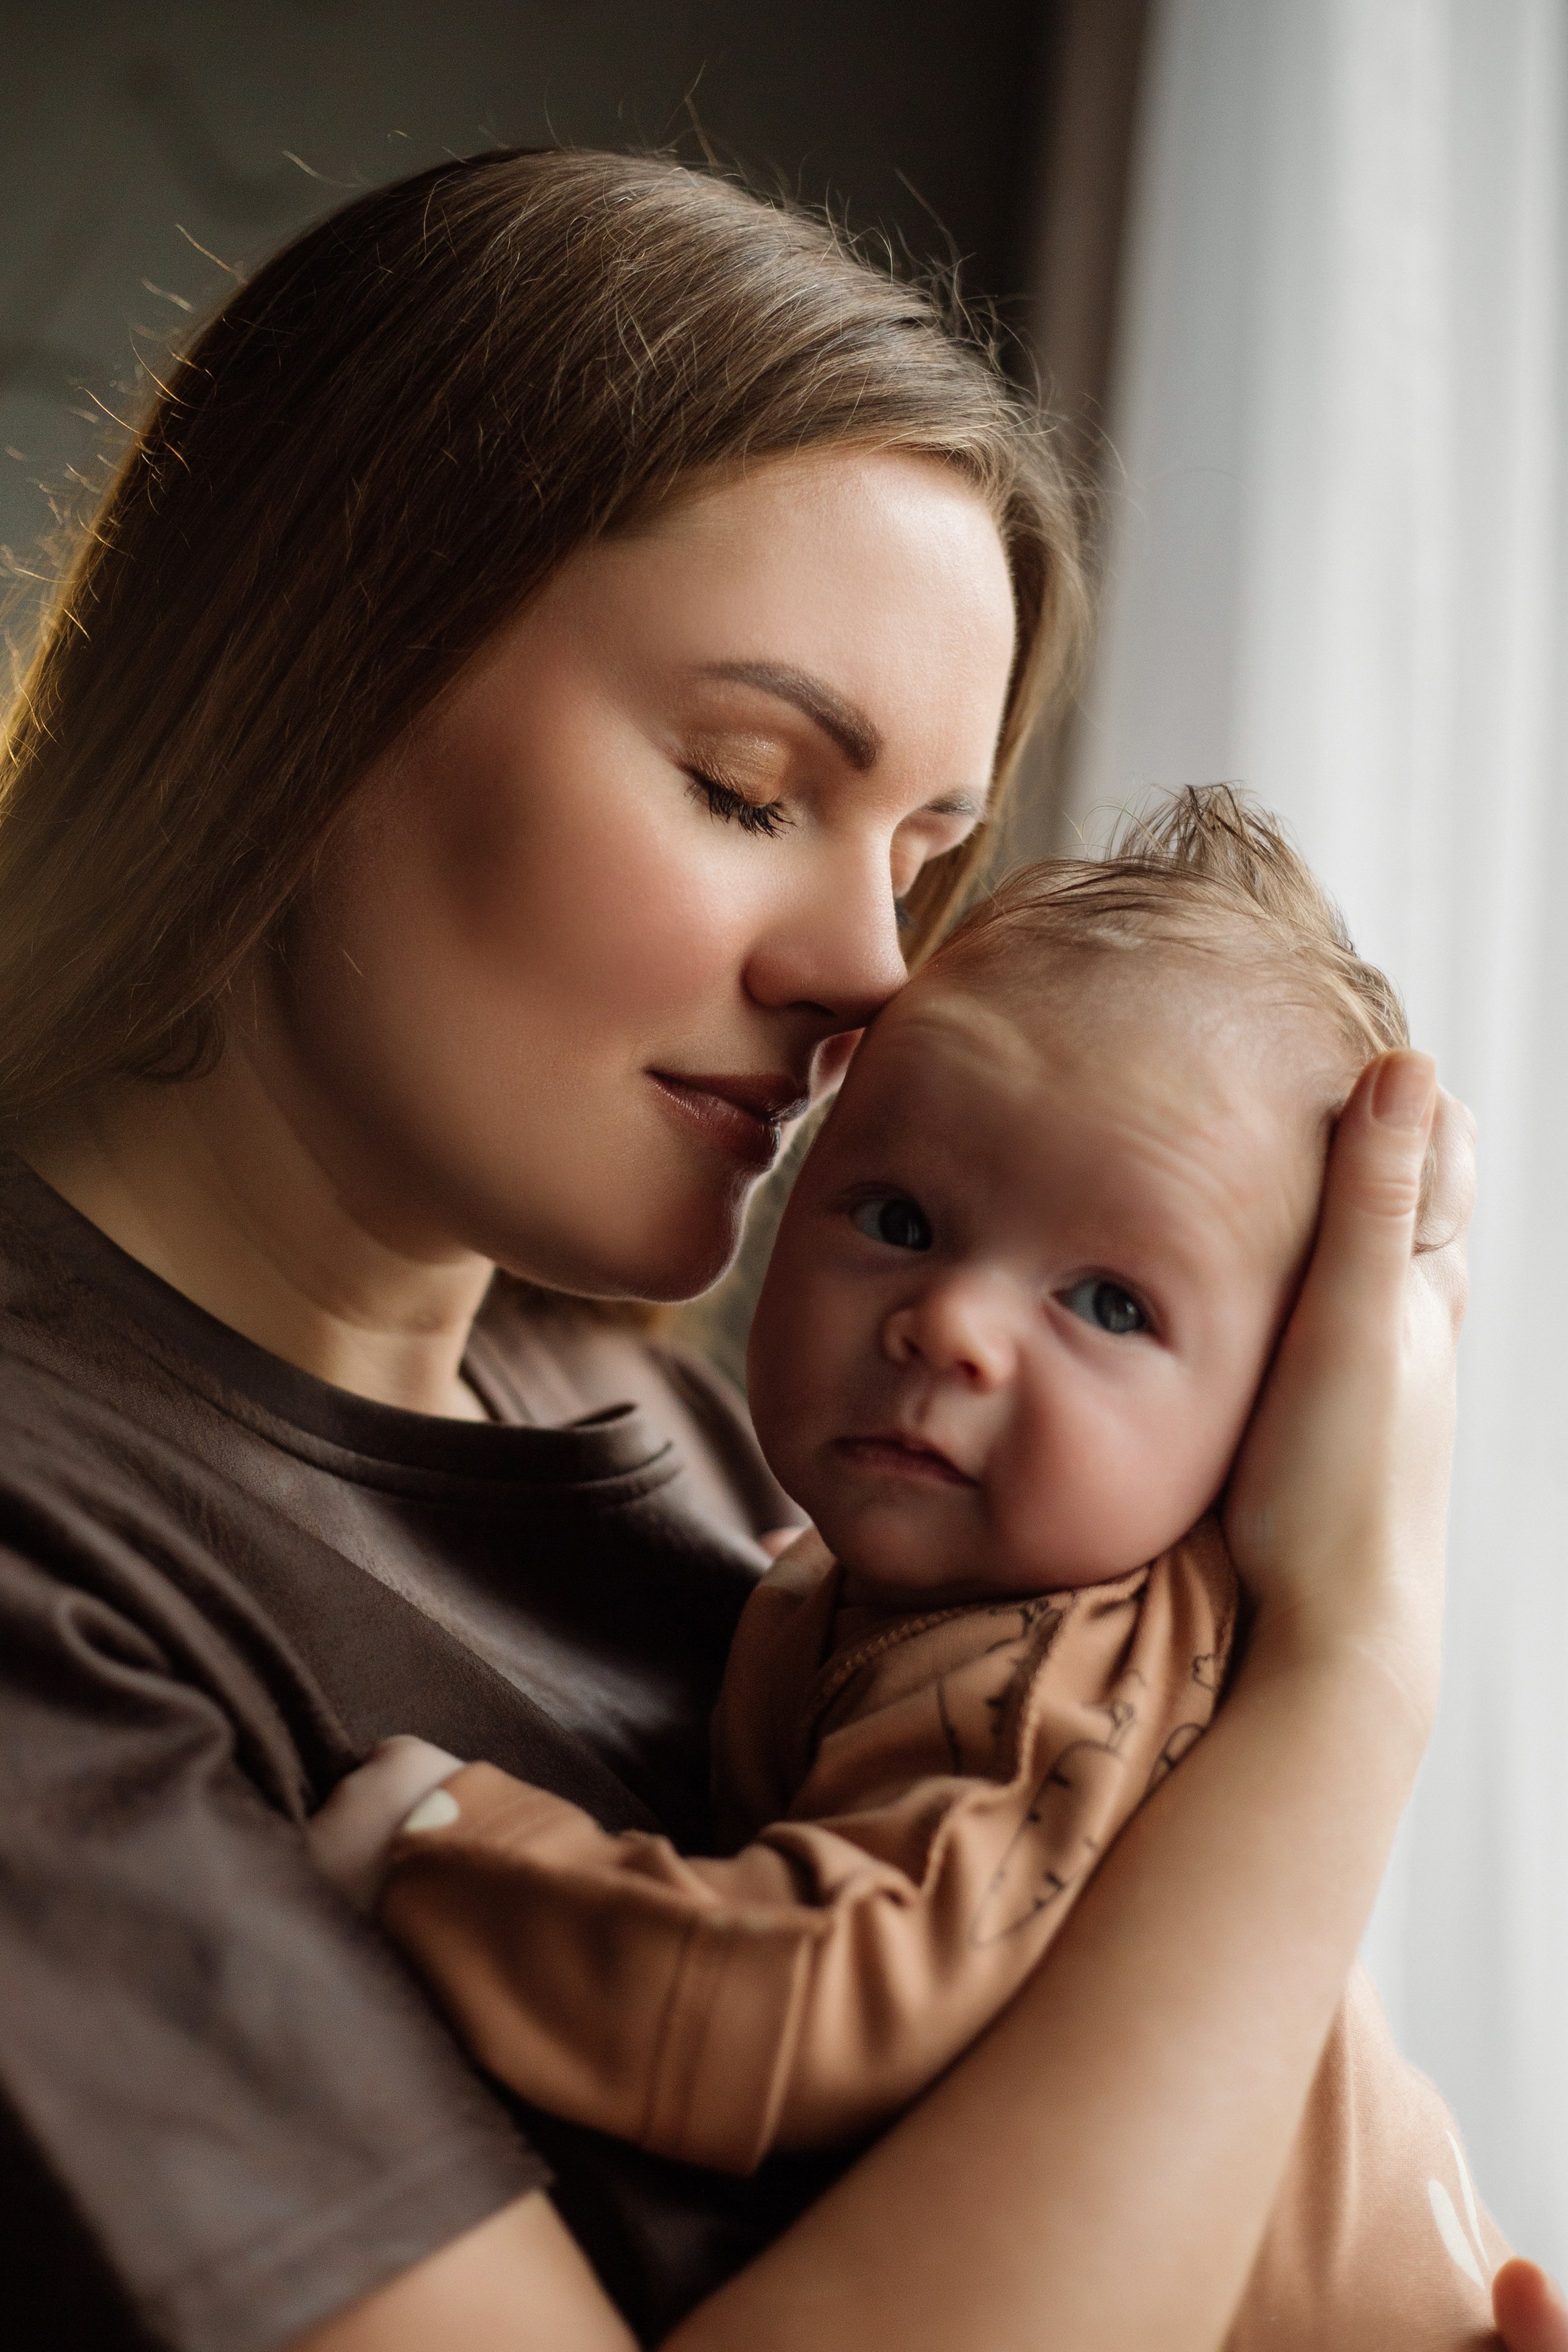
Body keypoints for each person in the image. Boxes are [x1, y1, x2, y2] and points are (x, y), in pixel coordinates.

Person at [0, 143, 1556, 2352]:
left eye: (925, 860)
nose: (867, 973)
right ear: (320, 672)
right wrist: (1343, 1681)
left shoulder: (711, 1431)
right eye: (749, 786)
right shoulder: (56, 1581)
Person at [308, 789, 1511, 2347]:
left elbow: (805, 1996)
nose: (953, 1323)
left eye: (1112, 1304)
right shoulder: (884, 1574)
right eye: (898, 1214)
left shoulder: (1051, 1675)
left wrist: (447, 1851)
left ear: (1278, 1417)